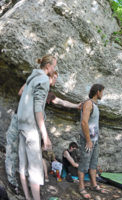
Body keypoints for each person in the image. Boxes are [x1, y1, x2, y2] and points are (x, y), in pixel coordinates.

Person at [5, 70, 81, 197]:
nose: (55, 81)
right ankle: (12, 182)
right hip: (18, 120)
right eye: (55, 78)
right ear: (48, 76)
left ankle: (30, 185)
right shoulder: (35, 82)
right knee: (12, 151)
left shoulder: (48, 93)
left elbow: (62, 102)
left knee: (27, 157)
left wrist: (76, 105)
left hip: (29, 127)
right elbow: (20, 92)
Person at [17, 55, 56, 200]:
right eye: (53, 66)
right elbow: (38, 108)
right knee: (35, 168)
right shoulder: (44, 79)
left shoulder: (31, 78)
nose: (54, 69)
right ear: (48, 66)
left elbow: (21, 95)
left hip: (21, 125)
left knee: (22, 165)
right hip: (32, 128)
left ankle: (27, 197)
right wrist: (45, 136)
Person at [78, 84, 107, 199]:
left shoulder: (95, 105)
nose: (102, 94)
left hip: (94, 140)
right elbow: (84, 122)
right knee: (84, 163)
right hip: (88, 140)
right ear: (98, 92)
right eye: (102, 92)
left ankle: (93, 185)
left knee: (93, 163)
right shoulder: (89, 103)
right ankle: (81, 187)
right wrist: (88, 141)